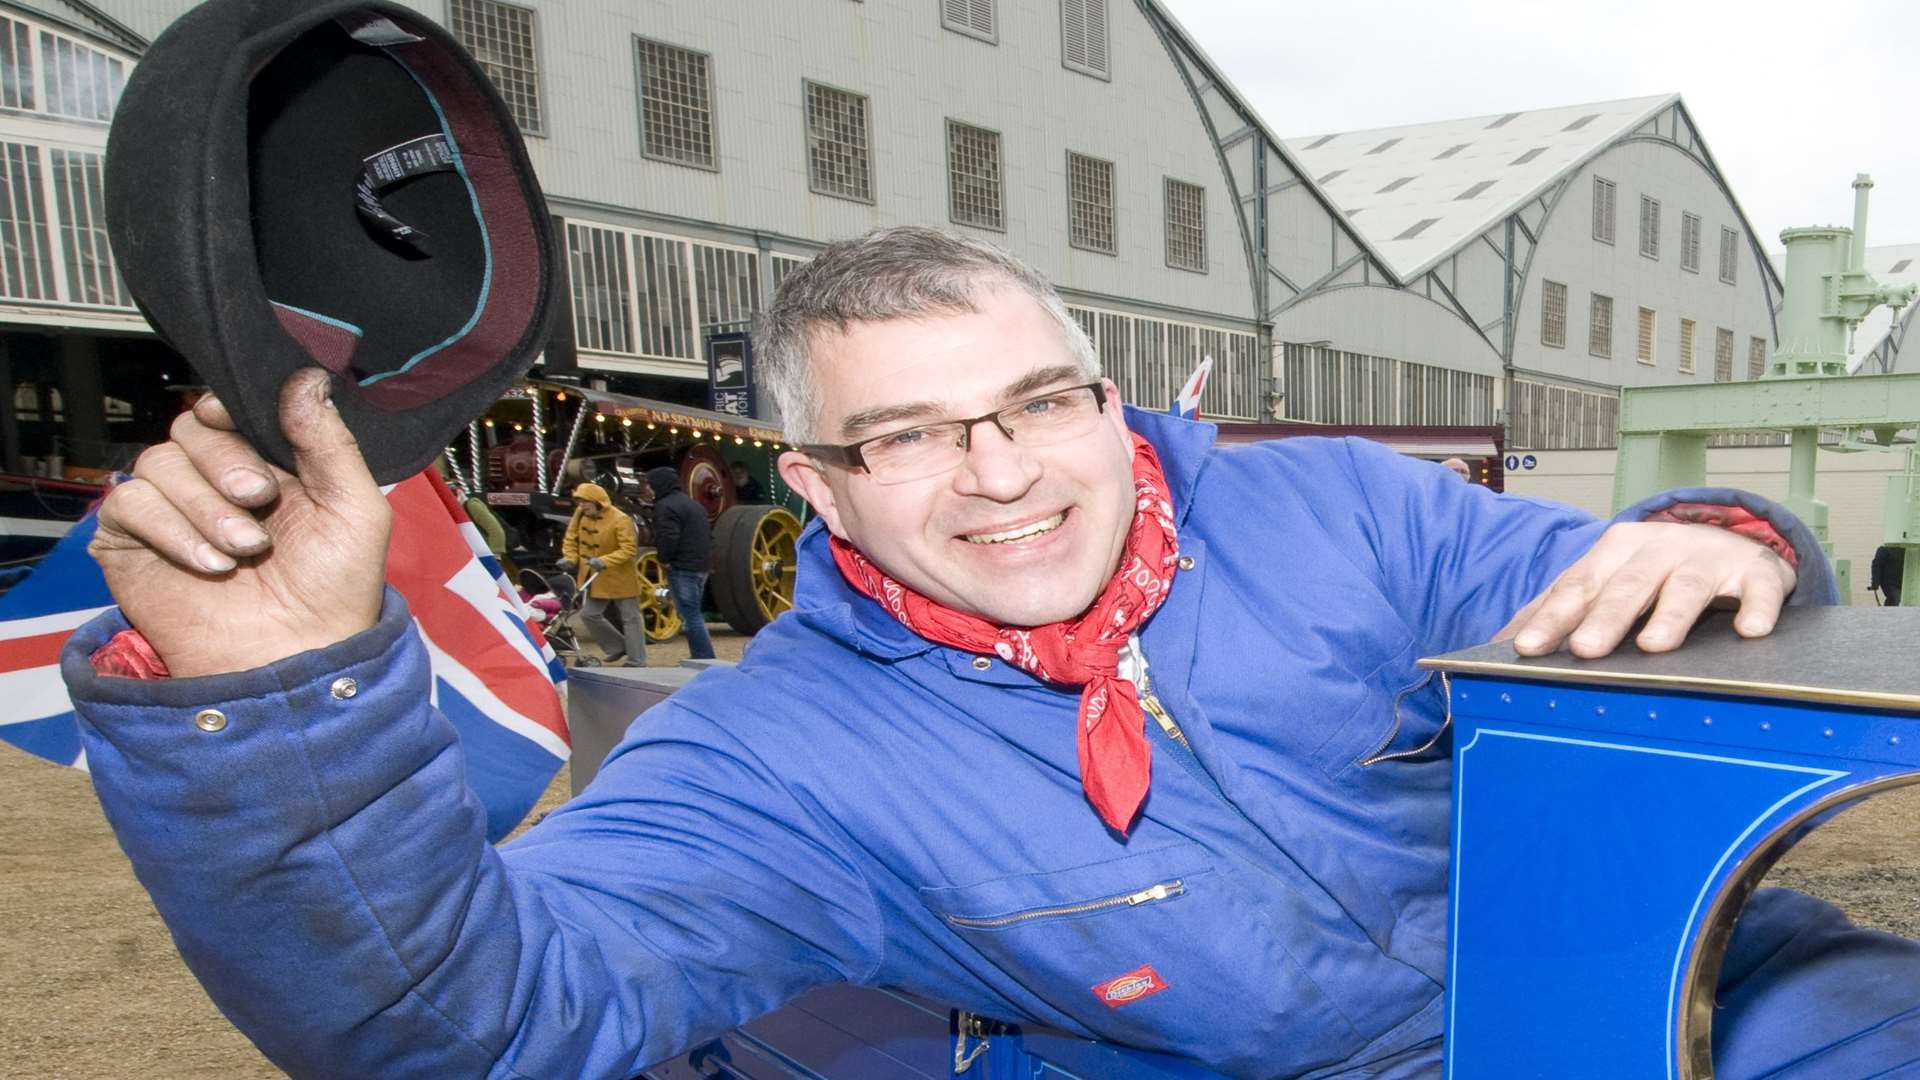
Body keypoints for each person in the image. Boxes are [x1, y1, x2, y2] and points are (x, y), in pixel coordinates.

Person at [68, 227, 1917, 1080]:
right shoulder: (779, 764)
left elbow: (1615, 586)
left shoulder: (1352, 513)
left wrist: (1718, 541)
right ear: (818, 489)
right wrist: (268, 707)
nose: (1008, 467)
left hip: (1683, 995)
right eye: (915, 435)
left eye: (1044, 398)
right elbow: (474, 1024)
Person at [557, 481, 646, 666]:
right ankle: (617, 647)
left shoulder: (621, 519)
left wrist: (604, 561)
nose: (581, 506)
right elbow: (571, 538)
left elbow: (629, 549)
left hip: (620, 576)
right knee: (588, 614)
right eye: (579, 502)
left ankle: (637, 659)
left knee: (631, 618)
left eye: (585, 502)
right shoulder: (580, 515)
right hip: (594, 577)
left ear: (597, 501)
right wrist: (570, 558)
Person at [646, 465, 716, 660]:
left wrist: (664, 559)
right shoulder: (694, 505)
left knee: (690, 616)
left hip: (682, 566)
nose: (648, 489)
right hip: (700, 565)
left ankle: (704, 657)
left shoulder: (665, 506)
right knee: (694, 613)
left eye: (650, 485)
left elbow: (668, 536)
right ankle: (700, 656)